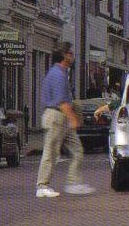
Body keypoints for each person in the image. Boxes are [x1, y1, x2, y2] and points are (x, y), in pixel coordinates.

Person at [35, 42, 95, 198]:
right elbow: (62, 102)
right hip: (56, 116)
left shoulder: (62, 73)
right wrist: (73, 119)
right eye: (70, 53)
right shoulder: (58, 75)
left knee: (77, 150)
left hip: (62, 117)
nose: (73, 56)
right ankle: (42, 186)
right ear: (64, 56)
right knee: (51, 152)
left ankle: (73, 183)